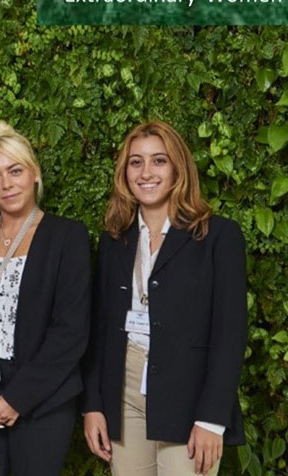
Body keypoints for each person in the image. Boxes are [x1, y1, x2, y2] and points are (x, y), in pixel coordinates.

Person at [82, 121, 247, 476]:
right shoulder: (115, 239)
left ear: (178, 169)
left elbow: (230, 334)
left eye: (159, 161)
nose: (146, 172)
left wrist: (212, 419)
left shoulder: (219, 236)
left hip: (190, 395)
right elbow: (100, 329)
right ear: (124, 171)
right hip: (123, 391)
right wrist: (92, 405)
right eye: (135, 162)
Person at [0, 120, 91, 475]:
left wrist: (18, 398)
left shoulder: (67, 237)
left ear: (35, 173)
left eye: (15, 171)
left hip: (42, 400)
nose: (6, 184)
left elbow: (70, 331)